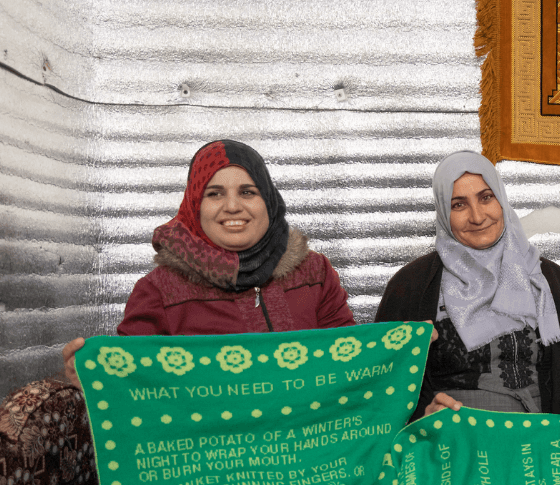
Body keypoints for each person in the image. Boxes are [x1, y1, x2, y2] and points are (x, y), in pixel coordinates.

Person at [63, 139, 356, 382]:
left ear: (268, 200)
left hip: (308, 444)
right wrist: (92, 377)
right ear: (194, 207)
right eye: (214, 194)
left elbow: (349, 362)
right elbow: (134, 384)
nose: (232, 207)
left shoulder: (315, 274)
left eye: (248, 192)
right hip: (208, 451)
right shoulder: (159, 292)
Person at [374, 151, 560, 421]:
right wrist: (424, 413)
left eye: (486, 198)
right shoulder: (411, 286)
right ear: (443, 214)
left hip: (542, 435)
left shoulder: (550, 279)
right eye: (458, 205)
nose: (478, 217)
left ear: (501, 199)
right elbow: (384, 380)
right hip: (456, 440)